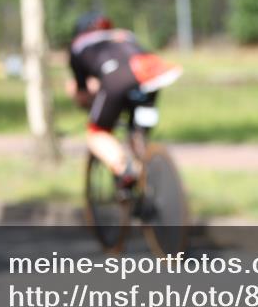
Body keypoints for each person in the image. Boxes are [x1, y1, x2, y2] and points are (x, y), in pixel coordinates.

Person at [67, 13, 182, 190]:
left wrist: (89, 105)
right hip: (152, 76)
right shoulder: (124, 35)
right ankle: (143, 164)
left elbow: (82, 93)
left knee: (96, 132)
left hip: (117, 79)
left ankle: (124, 171)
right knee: (138, 133)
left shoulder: (78, 45)